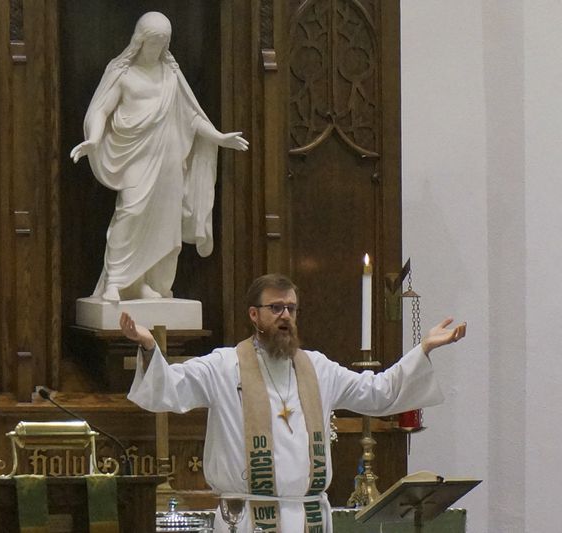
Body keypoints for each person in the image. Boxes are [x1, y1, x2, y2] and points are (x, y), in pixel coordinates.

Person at [122, 273, 467, 533]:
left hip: (309, 518)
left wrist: (423, 350)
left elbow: (378, 393)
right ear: (254, 315)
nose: (285, 315)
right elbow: (172, 388)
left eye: (291, 308)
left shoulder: (318, 369)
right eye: (276, 308)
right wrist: (150, 348)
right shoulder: (223, 366)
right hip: (247, 521)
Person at [70, 11, 249, 302]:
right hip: (135, 158)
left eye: (163, 43)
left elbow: (191, 117)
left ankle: (141, 283)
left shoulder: (171, 75)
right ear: (139, 41)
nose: (157, 49)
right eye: (153, 43)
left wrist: (218, 136)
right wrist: (93, 138)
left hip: (168, 160)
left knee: (164, 224)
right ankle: (115, 279)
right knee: (131, 212)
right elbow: (101, 109)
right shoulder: (121, 72)